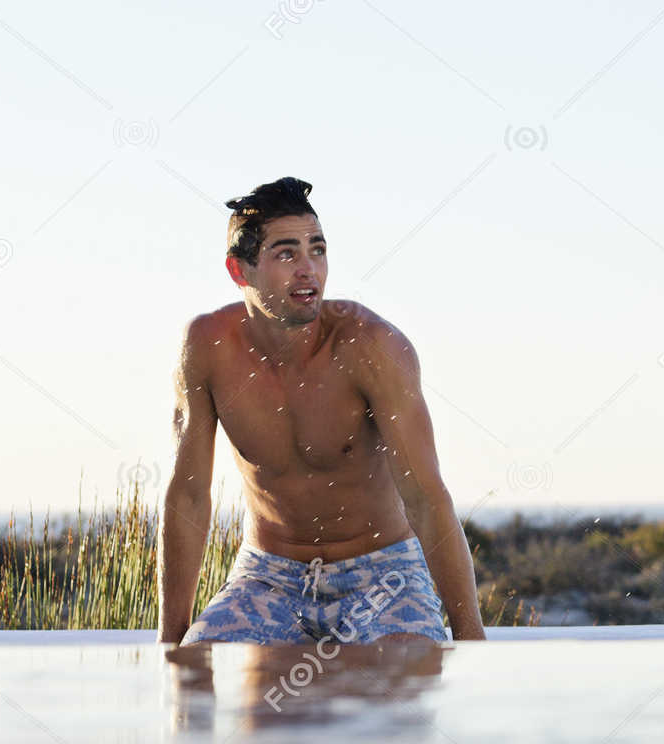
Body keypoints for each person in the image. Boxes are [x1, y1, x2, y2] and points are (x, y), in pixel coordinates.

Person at [156, 177, 485, 644]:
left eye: (318, 250)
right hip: (268, 577)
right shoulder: (208, 347)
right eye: (286, 254)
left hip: (384, 576)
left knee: (408, 679)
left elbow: (427, 500)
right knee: (199, 666)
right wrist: (171, 644)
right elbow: (187, 497)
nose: (308, 270)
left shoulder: (371, 345)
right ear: (239, 270)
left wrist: (473, 642)